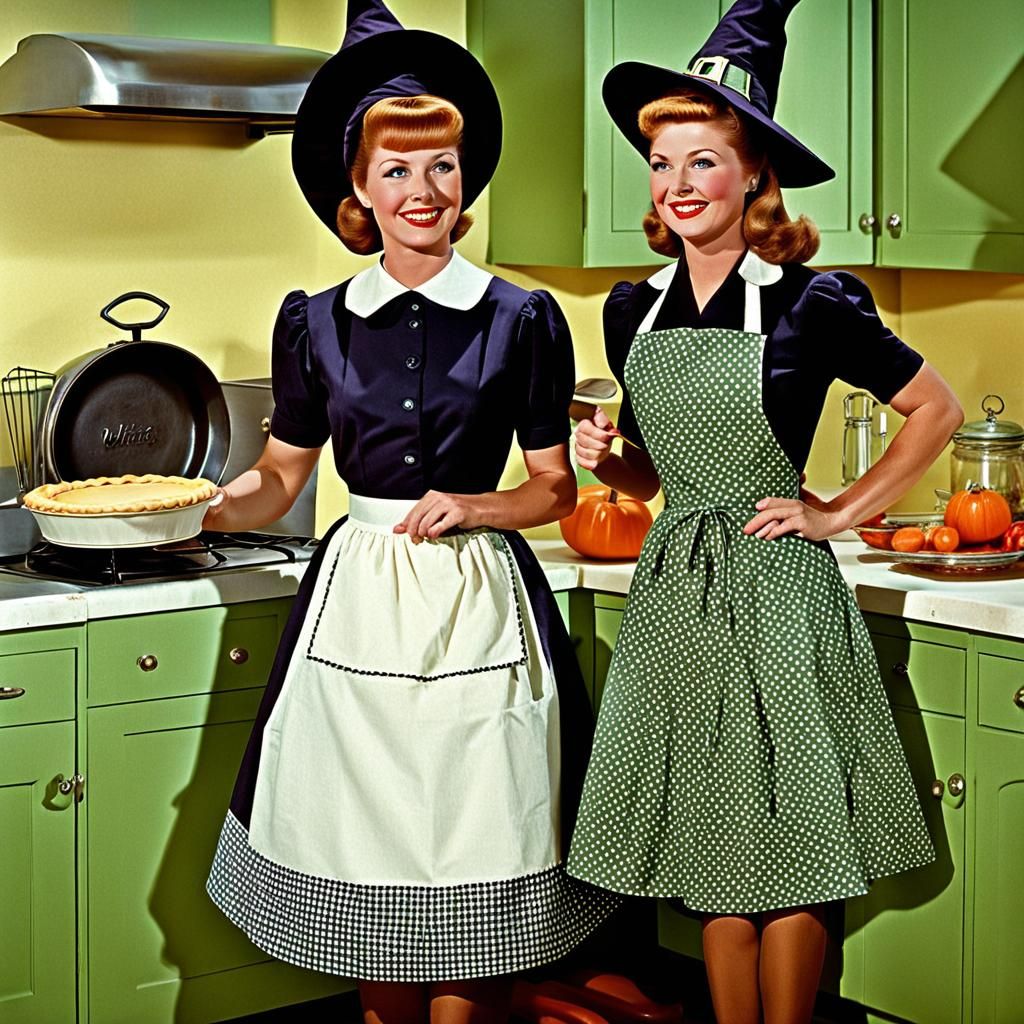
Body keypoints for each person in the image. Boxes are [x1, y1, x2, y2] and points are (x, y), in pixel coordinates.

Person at [204, 3, 616, 1021]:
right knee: (372, 852)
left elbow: (553, 489)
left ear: (464, 177)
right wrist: (206, 507)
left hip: (479, 596)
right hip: (360, 602)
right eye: (394, 170)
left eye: (439, 166)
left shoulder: (523, 318)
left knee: (481, 843)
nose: (420, 191)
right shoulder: (314, 323)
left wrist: (481, 503)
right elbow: (282, 475)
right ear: (356, 188)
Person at [565, 2, 963, 1022]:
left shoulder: (811, 302)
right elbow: (657, 476)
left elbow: (935, 409)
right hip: (675, 592)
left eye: (702, 161)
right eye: (661, 162)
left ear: (753, 176)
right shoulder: (627, 309)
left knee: (786, 849)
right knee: (715, 834)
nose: (678, 185)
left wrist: (837, 511)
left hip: (776, 586)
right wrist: (615, 465)